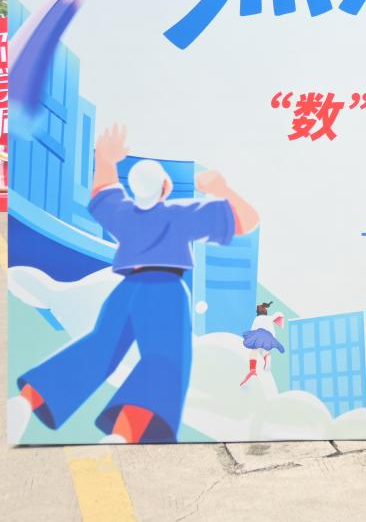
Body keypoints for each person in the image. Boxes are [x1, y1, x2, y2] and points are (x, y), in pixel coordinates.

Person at [17, 123, 258, 442]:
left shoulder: (124, 214)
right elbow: (248, 220)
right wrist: (221, 188)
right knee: (165, 361)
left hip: (127, 290)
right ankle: (124, 434)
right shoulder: (179, 215)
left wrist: (106, 159)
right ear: (165, 188)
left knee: (98, 347)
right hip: (165, 290)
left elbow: (102, 190)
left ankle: (25, 403)